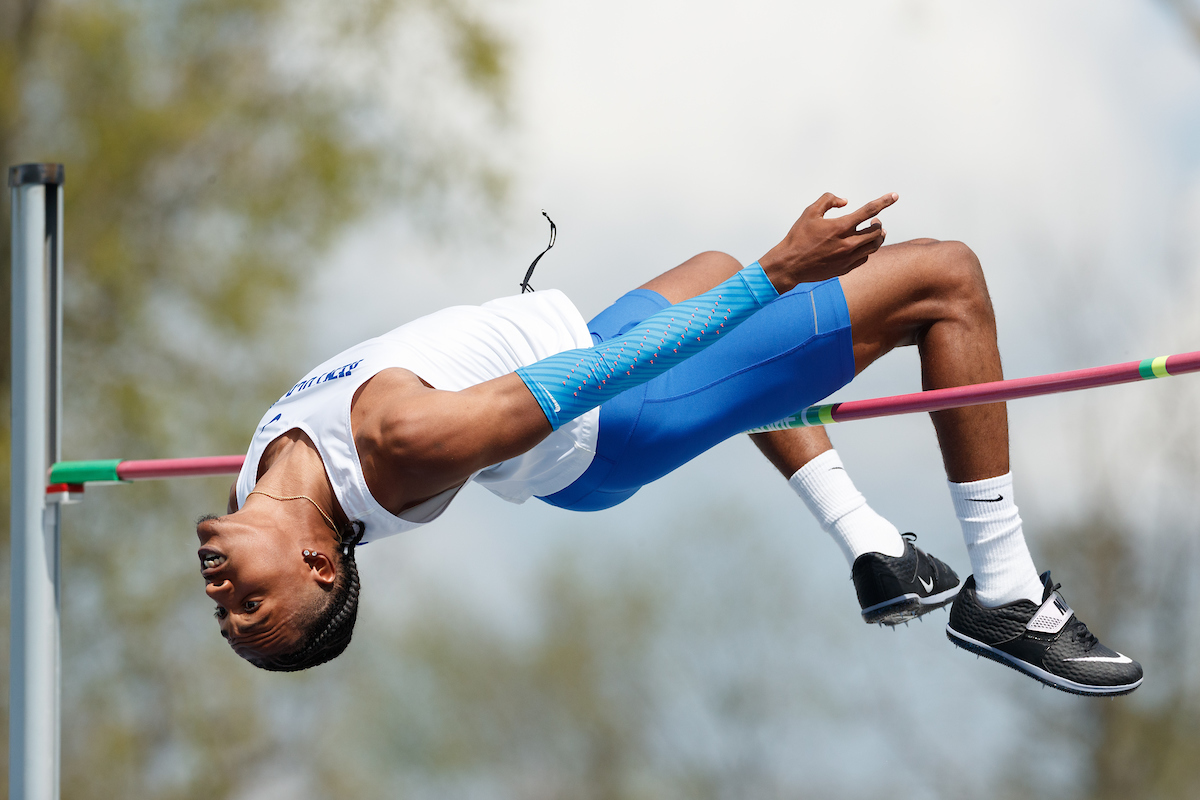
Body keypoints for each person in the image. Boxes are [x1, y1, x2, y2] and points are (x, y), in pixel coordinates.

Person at [196, 192, 1142, 696]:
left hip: (587, 381)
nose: (223, 596)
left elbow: (590, 363)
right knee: (945, 278)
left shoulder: (260, 481)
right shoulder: (403, 440)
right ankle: (1010, 597)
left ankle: (873, 547)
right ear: (320, 562)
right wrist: (780, 274)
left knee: (709, 270)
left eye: (224, 612)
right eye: (254, 605)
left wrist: (746, 283)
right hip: (622, 413)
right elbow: (607, 381)